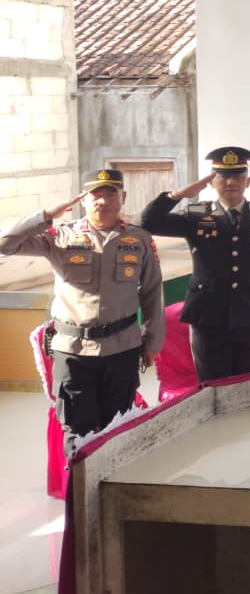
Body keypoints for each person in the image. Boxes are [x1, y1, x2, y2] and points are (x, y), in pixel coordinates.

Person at [1, 169, 164, 456]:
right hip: (73, 350)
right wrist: (45, 215)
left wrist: (152, 341)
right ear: (83, 199)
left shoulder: (139, 239)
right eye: (95, 195)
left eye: (110, 194)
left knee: (118, 427)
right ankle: (77, 485)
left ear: (123, 197)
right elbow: (5, 244)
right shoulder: (60, 236)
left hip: (122, 348)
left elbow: (151, 291)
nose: (103, 201)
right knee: (76, 430)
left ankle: (114, 485)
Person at [142, 147, 250, 382]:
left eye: (238, 176)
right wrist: (177, 195)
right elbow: (148, 222)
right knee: (211, 384)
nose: (231, 183)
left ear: (247, 181)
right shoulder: (196, 215)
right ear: (212, 182)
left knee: (247, 383)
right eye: (223, 177)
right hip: (207, 316)